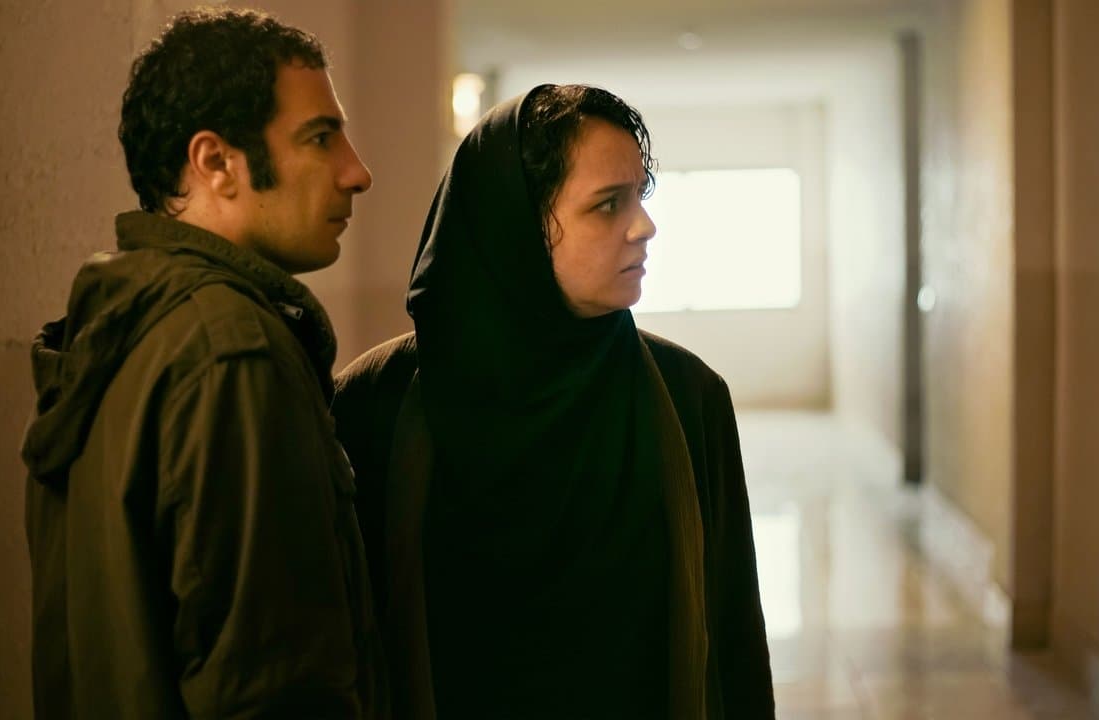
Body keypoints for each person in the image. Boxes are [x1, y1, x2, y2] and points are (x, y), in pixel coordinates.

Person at [332, 84, 774, 719]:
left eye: (640, 196)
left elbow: (734, 641)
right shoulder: (375, 403)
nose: (644, 226)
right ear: (515, 224)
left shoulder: (688, 396)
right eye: (608, 204)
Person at [20, 8, 387, 718]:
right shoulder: (230, 349)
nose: (357, 172)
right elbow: (269, 687)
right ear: (216, 162)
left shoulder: (126, 328)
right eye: (320, 137)